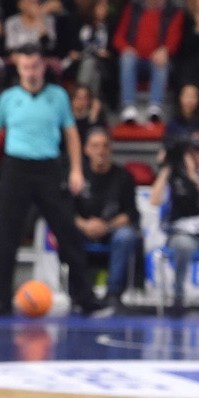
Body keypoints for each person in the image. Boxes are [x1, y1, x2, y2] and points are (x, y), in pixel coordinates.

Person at [0, 45, 103, 316]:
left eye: (35, 66)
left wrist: (76, 170)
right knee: (6, 236)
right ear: (19, 68)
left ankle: (84, 298)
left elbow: (70, 134)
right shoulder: (8, 98)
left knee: (68, 233)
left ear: (44, 66)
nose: (31, 72)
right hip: (15, 168)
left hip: (49, 168)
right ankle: (0, 301)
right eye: (26, 67)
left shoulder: (57, 97)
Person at [149, 130, 199, 318]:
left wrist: (193, 176)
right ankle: (178, 298)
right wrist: (169, 166)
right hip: (181, 235)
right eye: (197, 148)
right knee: (184, 246)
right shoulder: (173, 175)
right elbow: (154, 200)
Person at [76, 127, 140, 313]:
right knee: (68, 232)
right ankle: (81, 294)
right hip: (84, 230)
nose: (100, 151)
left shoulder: (123, 176)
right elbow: (67, 212)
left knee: (127, 235)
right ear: (86, 149)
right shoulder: (77, 176)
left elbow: (131, 213)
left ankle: (113, 294)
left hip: (112, 231)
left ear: (111, 149)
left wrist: (107, 226)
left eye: (105, 146)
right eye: (95, 146)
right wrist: (85, 224)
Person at [113, 0, 183, 124]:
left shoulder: (173, 13)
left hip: (156, 61)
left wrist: (165, 50)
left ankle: (155, 107)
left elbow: (174, 39)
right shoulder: (133, 10)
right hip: (135, 60)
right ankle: (129, 107)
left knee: (161, 60)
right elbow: (118, 37)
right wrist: (127, 48)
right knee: (127, 58)